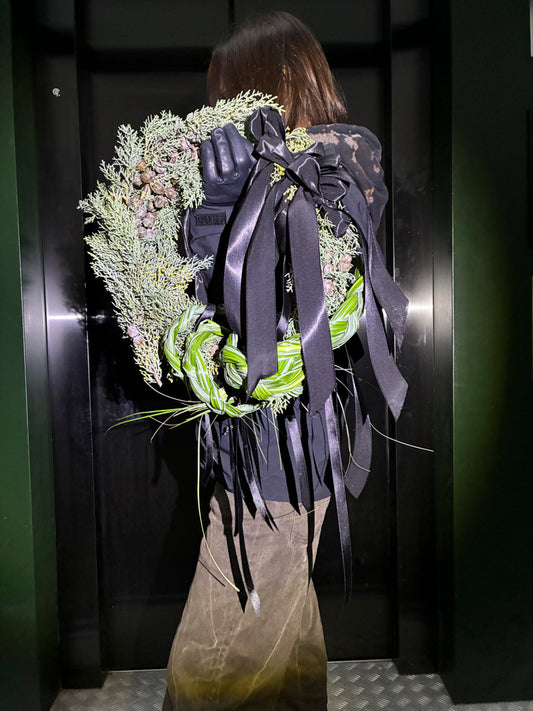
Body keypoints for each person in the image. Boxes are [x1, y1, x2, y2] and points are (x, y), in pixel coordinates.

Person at [162, 11, 396, 711]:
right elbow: (214, 311)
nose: (218, 111)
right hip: (252, 454)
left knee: (209, 674)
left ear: (276, 81)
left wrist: (227, 214)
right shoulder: (241, 170)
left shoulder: (342, 160)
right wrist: (209, 217)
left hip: (282, 462)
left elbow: (299, 294)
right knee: (285, 651)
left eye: (228, 91)